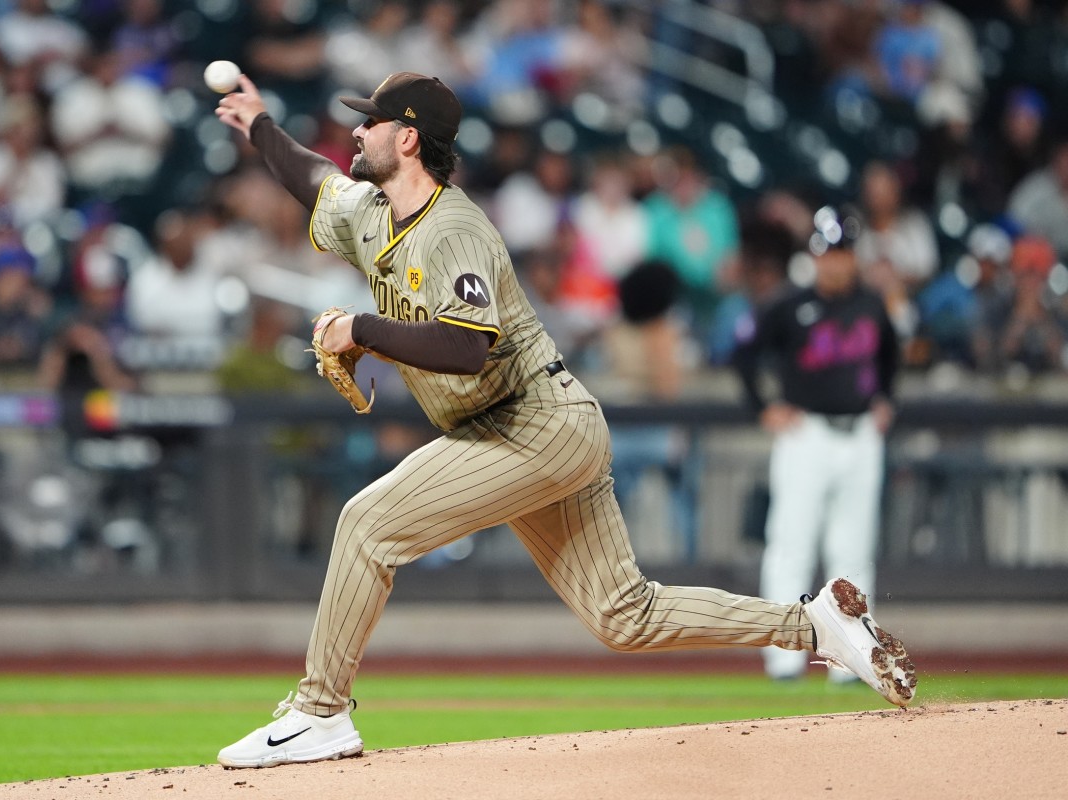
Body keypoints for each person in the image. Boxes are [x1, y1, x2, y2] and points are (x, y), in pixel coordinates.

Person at [212, 70, 917, 769]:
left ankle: (320, 711)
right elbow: (312, 180)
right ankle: (816, 624)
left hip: (534, 420)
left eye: (371, 121)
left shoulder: (454, 229)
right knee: (624, 614)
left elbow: (466, 346)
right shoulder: (368, 211)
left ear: (409, 138)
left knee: (367, 525)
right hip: (524, 428)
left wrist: (362, 328)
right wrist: (261, 126)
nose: (356, 131)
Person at [733, 206, 901, 682]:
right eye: (828, 252)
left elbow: (890, 356)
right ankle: (782, 658)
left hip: (860, 435)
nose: (836, 262)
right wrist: (762, 407)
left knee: (853, 550)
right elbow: (742, 353)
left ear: (854, 256)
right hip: (806, 435)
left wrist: (886, 398)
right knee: (792, 544)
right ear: (814, 254)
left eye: (844, 252)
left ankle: (853, 660)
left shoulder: (871, 303)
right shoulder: (788, 304)